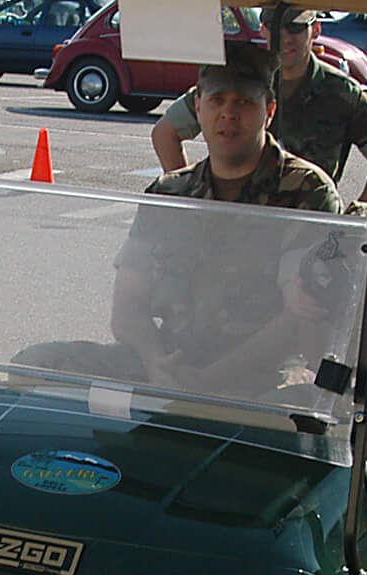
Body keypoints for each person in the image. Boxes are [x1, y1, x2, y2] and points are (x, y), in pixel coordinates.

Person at [19, 42, 343, 395]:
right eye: (218, 101)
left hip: (260, 376)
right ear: (198, 107)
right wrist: (156, 362)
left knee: (302, 412)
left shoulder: (306, 192)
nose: (228, 114)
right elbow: (127, 307)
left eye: (245, 102)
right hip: (168, 361)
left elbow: (298, 315)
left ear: (269, 111)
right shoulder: (168, 193)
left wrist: (207, 382)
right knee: (35, 366)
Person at [152, 8, 367, 206]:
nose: (286, 37)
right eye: (277, 27)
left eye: (296, 27)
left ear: (315, 30)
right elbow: (165, 133)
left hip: (303, 213)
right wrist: (190, 200)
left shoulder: (341, 93)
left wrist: (360, 216)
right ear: (263, 29)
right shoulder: (235, 81)